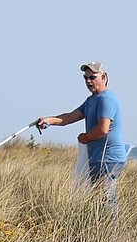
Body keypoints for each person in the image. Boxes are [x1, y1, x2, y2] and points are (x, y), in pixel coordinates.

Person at [37, 61, 126, 214]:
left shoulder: (106, 99)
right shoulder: (92, 100)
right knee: (97, 200)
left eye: (92, 77)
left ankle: (112, 235)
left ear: (103, 77)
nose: (88, 81)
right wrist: (49, 120)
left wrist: (84, 137)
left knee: (106, 199)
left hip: (108, 158)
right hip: (97, 157)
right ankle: (101, 232)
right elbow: (70, 117)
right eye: (86, 78)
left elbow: (102, 129)